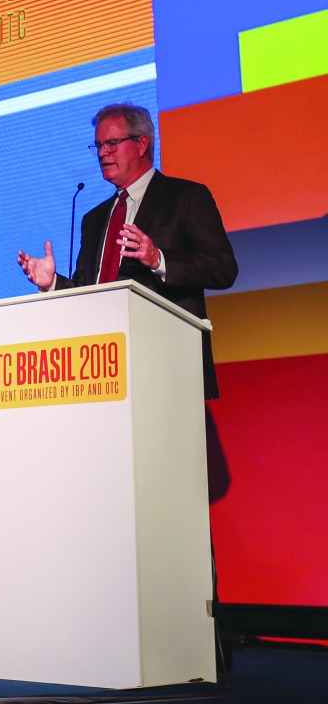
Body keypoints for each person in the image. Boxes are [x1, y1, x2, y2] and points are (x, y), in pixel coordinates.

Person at [15, 101, 237, 497]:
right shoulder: (94, 218)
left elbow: (223, 268)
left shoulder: (185, 197)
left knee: (169, 495)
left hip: (164, 368)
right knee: (112, 493)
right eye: (97, 146)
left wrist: (158, 259)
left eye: (112, 143)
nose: (102, 153)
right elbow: (91, 294)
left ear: (142, 143)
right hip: (103, 372)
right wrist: (52, 284)